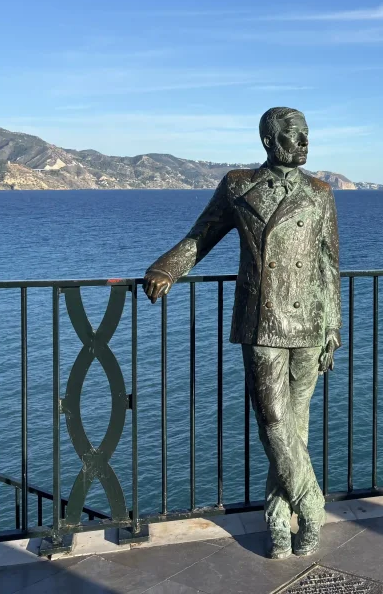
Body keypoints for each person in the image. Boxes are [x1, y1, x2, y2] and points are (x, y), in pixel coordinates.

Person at [142, 107, 341, 559]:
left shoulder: (319, 192)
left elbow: (329, 262)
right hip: (261, 320)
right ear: (269, 141)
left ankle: (278, 524)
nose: (304, 143)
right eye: (294, 135)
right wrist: (166, 268)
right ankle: (313, 508)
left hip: (310, 322)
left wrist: (334, 325)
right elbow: (202, 235)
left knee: (294, 426)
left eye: (307, 135)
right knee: (274, 421)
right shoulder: (238, 185)